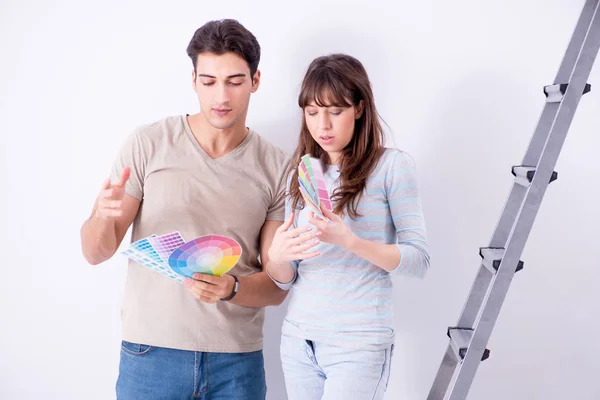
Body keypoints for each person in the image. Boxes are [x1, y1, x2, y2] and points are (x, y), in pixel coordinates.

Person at [80, 19, 308, 400]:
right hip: (151, 356)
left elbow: (276, 286)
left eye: (235, 81)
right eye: (209, 81)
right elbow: (94, 252)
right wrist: (102, 216)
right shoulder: (149, 144)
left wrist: (231, 287)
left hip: (236, 364)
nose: (221, 95)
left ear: (255, 81)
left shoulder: (278, 167)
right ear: (193, 80)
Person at [266, 53, 431, 400]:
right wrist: (276, 256)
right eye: (312, 113)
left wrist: (351, 241)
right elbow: (286, 277)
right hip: (299, 342)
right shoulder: (301, 172)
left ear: (359, 108)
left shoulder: (391, 167)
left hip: (358, 345)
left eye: (335, 111)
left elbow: (419, 260)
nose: (322, 125)